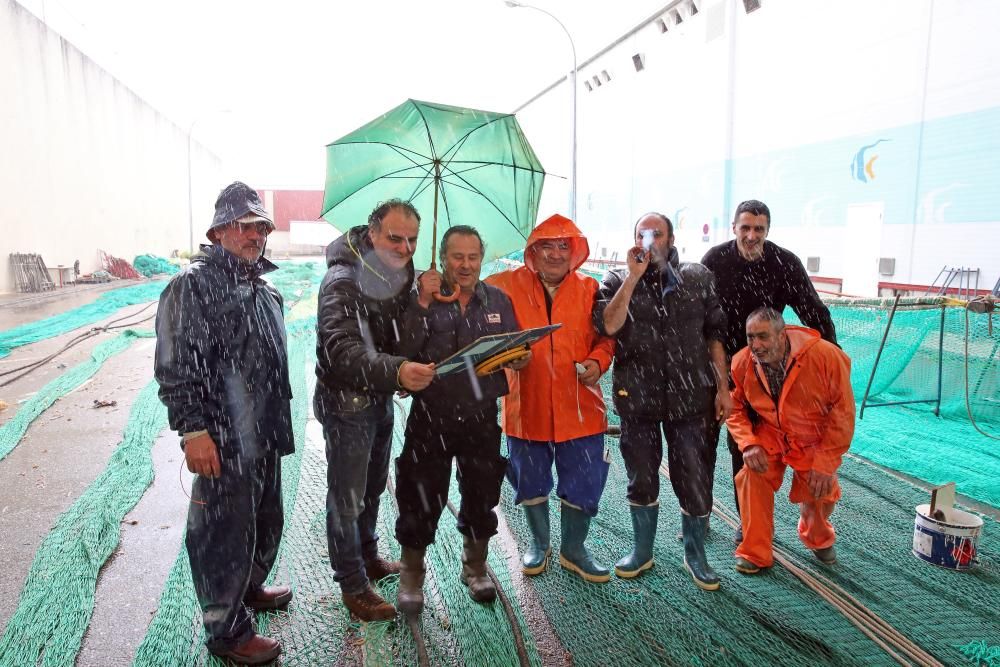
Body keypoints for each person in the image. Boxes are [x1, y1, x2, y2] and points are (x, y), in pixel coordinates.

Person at [154, 181, 292, 665]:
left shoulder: (264, 285)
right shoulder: (192, 284)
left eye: (263, 227)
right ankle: (227, 631)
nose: (257, 235)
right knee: (222, 533)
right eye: (246, 226)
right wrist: (194, 430)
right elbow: (177, 365)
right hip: (223, 436)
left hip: (265, 432)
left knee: (263, 518)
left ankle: (249, 589)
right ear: (219, 232)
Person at [393, 225, 527, 615]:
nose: (465, 265)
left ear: (481, 259)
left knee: (482, 492)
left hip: (481, 415)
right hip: (429, 416)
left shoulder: (498, 301)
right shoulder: (421, 299)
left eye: (473, 257)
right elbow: (401, 349)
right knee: (419, 494)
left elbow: (518, 348)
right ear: (442, 256)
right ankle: (411, 576)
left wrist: (520, 357)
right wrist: (420, 300)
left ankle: (475, 567)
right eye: (457, 256)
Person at [314, 199, 436, 621]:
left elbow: (399, 337)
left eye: (412, 239)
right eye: (394, 237)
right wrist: (398, 370)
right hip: (347, 405)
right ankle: (351, 582)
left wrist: (421, 301)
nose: (404, 247)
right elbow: (341, 351)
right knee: (346, 496)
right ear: (371, 234)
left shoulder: (398, 276)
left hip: (379, 397)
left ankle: (367, 556)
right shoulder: (343, 280)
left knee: (369, 488)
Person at [594, 213, 730, 590]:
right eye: (643, 233)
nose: (650, 240)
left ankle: (695, 553)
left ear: (671, 239)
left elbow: (715, 334)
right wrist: (634, 277)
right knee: (641, 475)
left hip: (691, 398)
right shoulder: (617, 280)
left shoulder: (697, 277)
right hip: (637, 398)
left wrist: (723, 389)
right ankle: (642, 551)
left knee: (694, 474)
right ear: (634, 237)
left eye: (657, 234)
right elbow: (607, 325)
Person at [487, 213, 615, 583]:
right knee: (530, 480)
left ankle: (574, 549)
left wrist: (598, 361)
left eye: (564, 245)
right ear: (532, 250)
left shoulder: (592, 289)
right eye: (547, 245)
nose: (556, 254)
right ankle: (538, 544)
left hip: (581, 408)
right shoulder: (504, 286)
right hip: (525, 405)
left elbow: (607, 337)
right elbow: (467, 298)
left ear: (574, 251)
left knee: (585, 479)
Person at [701, 199, 837, 540]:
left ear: (767, 231)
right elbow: (692, 314)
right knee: (700, 444)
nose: (751, 235)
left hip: (757, 372)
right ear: (734, 228)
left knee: (745, 447)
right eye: (745, 227)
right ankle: (697, 515)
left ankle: (749, 525)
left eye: (758, 229)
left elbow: (814, 312)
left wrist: (832, 362)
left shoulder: (783, 263)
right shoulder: (714, 261)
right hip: (714, 365)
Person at [728, 307, 854, 573]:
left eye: (763, 336)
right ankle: (755, 551)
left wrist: (825, 463)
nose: (756, 345)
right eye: (750, 337)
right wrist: (748, 443)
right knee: (752, 475)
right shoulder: (741, 362)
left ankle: (816, 535)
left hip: (814, 439)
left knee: (820, 487)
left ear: (782, 335)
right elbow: (734, 407)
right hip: (771, 435)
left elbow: (842, 414)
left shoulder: (826, 357)